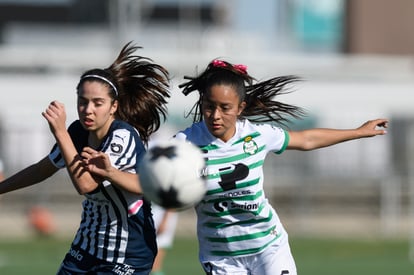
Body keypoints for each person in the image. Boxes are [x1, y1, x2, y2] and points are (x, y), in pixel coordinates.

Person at [175, 59, 388, 275]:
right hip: (221, 257)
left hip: (269, 247)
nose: (216, 115)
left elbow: (307, 139)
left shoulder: (257, 136)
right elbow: (151, 176)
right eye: (210, 107)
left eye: (225, 108)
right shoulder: (184, 143)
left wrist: (357, 132)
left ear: (241, 108)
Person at [0, 42, 170, 274]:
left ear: (113, 106)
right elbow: (43, 168)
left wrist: (60, 132)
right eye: (83, 101)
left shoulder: (122, 135)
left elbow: (86, 185)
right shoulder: (77, 132)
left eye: (97, 103)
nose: (88, 109)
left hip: (128, 252)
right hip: (86, 246)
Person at [150, 204, 178, 275]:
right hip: (151, 216)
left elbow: (173, 200)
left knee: (155, 265)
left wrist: (165, 220)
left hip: (161, 217)